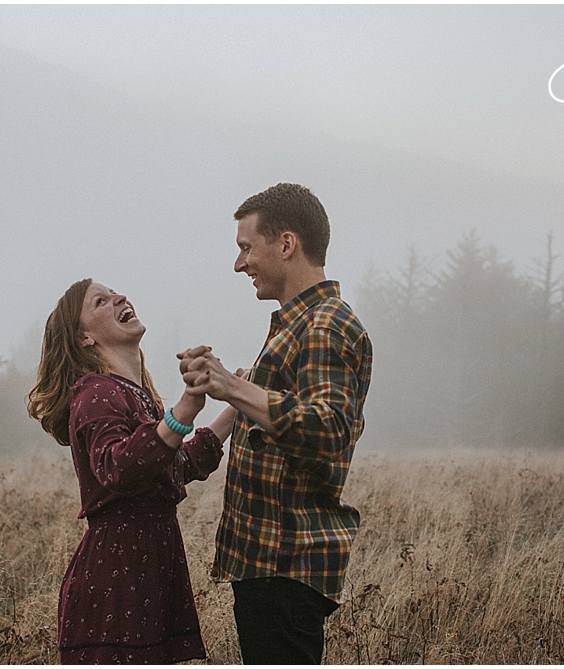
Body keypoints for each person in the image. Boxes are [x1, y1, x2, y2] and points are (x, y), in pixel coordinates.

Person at [179, 183, 373, 664]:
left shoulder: (326, 324)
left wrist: (234, 387)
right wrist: (238, 389)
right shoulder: (297, 325)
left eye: (247, 248)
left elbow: (328, 432)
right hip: (269, 567)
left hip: (286, 567)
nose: (239, 264)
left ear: (286, 244)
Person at [28, 278, 235, 664]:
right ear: (84, 338)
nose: (120, 298)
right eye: (101, 302)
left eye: (115, 293)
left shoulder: (136, 395)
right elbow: (117, 467)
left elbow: (176, 465)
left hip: (149, 567)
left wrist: (238, 401)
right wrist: (185, 409)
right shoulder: (94, 392)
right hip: (117, 577)